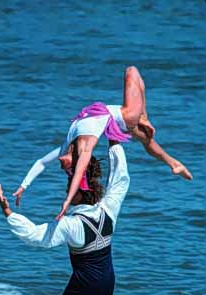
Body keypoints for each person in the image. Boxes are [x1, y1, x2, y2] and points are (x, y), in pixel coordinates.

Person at [12, 67, 192, 220]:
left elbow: (41, 162)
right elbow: (78, 174)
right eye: (68, 169)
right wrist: (67, 201)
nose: (63, 169)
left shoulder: (65, 146)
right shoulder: (84, 149)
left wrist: (23, 186)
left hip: (115, 119)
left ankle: (174, 164)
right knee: (132, 71)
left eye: (66, 169)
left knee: (147, 140)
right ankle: (143, 116)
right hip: (127, 115)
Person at [0, 141, 130, 295]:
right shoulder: (109, 208)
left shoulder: (71, 224)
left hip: (83, 286)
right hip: (107, 284)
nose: (66, 191)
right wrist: (114, 143)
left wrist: (7, 212)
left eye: (70, 188)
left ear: (79, 191)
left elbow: (35, 236)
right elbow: (120, 178)